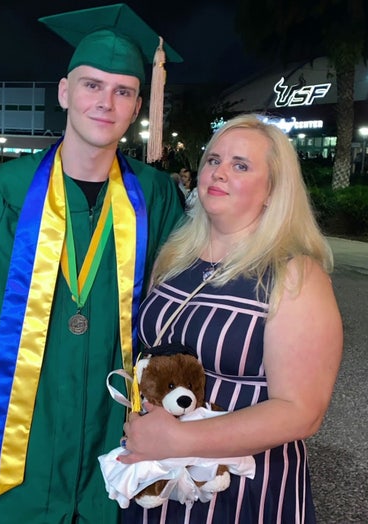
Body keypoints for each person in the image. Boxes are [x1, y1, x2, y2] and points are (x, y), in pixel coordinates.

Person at [0, 4, 185, 522]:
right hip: (16, 435)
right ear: (64, 92)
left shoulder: (156, 196)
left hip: (113, 428)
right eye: (91, 85)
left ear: (136, 107)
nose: (105, 102)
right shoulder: (5, 190)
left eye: (123, 91)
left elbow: (179, 310)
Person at [120, 114, 343, 523]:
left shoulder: (294, 275)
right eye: (213, 160)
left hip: (241, 491)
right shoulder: (175, 258)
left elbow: (301, 411)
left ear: (273, 190)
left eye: (240, 165)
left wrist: (181, 437)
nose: (219, 172)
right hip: (159, 480)